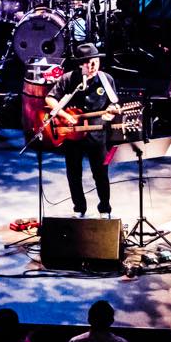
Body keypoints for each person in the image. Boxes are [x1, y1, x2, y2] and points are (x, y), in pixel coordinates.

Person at [45, 43, 121, 216]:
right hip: (73, 133)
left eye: (96, 61)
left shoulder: (106, 79)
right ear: (80, 64)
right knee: (73, 174)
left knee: (100, 173)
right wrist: (64, 115)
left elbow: (113, 103)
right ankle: (79, 208)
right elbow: (50, 98)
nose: (93, 66)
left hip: (97, 133)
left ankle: (105, 209)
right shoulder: (68, 78)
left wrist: (111, 112)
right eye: (88, 63)